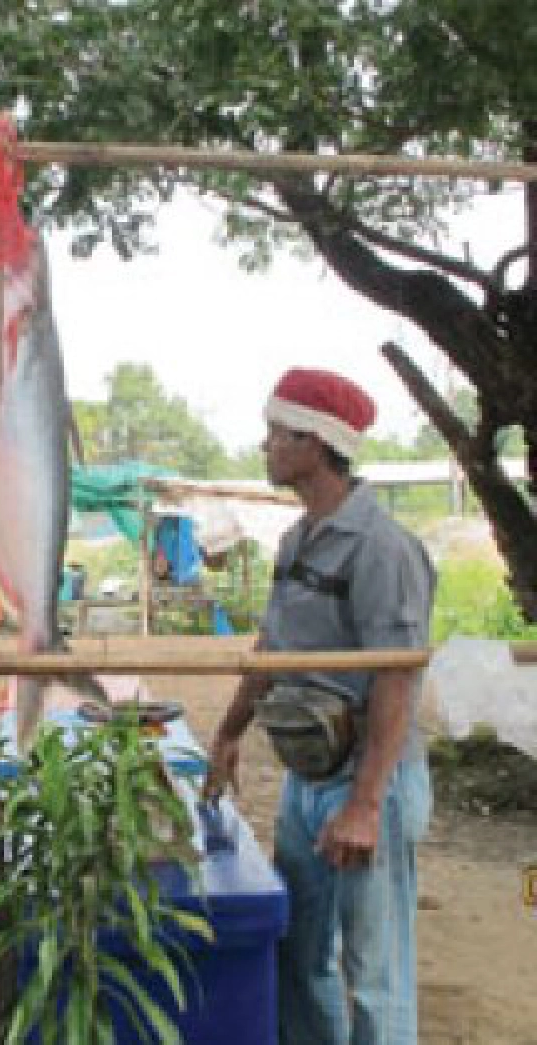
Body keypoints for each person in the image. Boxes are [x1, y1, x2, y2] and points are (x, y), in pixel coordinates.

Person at [204, 367, 436, 1045]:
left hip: (368, 782)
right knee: (301, 956)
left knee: (375, 973)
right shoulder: (298, 540)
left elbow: (396, 678)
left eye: (278, 432)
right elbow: (272, 647)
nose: (266, 445)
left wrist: (365, 804)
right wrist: (228, 733)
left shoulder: (383, 550)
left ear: (316, 443)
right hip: (309, 779)